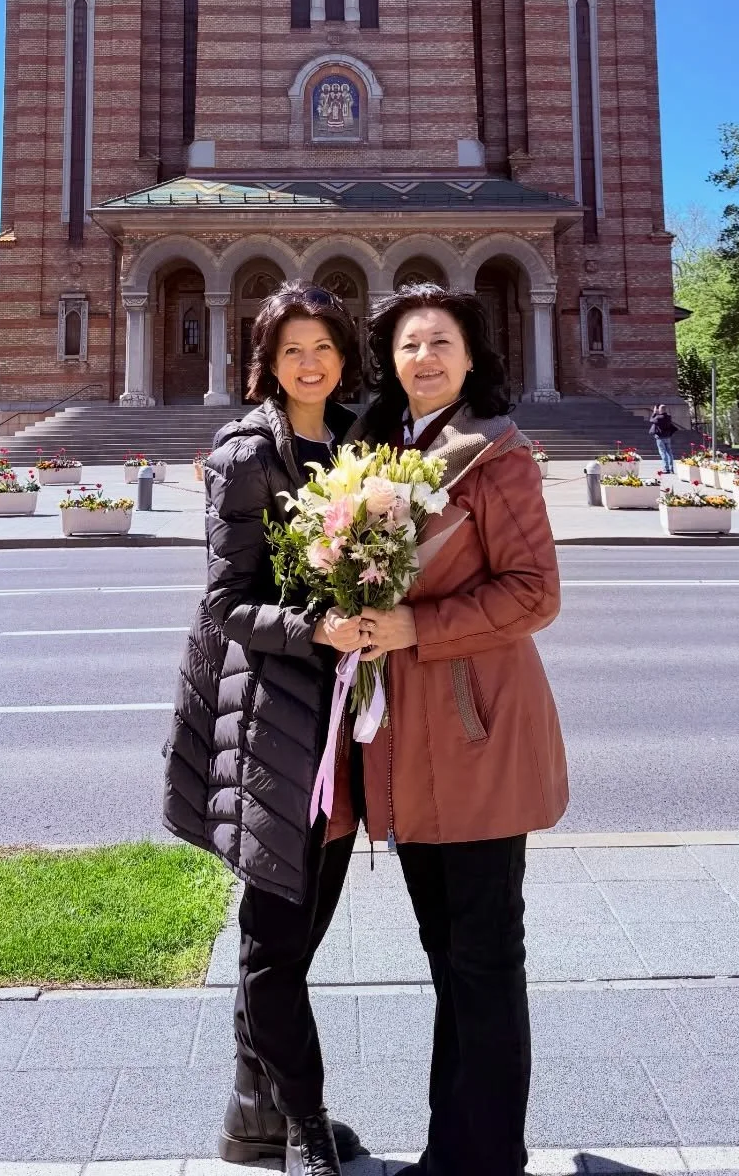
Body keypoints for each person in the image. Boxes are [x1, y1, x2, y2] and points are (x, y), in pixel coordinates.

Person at [350, 284, 569, 1176]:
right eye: (409, 345)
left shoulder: (496, 454)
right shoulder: (388, 451)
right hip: (413, 743)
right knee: (449, 959)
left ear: (472, 356)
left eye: (442, 342)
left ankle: (484, 1162)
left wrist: (415, 628)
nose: (425, 358)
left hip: (477, 733)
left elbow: (535, 592)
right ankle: (455, 1152)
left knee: (482, 960)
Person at [164, 282, 368, 1176]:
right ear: (268, 360)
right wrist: (316, 626)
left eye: (323, 346)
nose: (310, 362)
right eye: (293, 349)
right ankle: (308, 1127)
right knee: (275, 941)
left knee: (301, 930)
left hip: (345, 719)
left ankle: (254, 1116)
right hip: (274, 720)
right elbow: (225, 601)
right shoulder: (247, 452)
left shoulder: (364, 444)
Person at [648, 401, 678, 475]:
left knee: (663, 453)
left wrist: (654, 412)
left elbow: (651, 420)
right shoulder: (668, 417)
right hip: (667, 437)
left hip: (660, 438)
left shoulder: (658, 417)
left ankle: (666, 468)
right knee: (669, 452)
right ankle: (671, 469)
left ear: (660, 410)